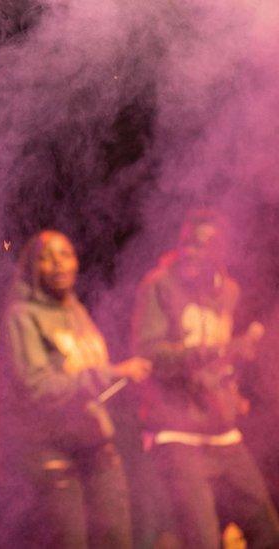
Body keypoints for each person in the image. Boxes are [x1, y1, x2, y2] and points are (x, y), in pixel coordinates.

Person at [131, 210, 279, 548]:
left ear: (223, 252)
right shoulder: (159, 285)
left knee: (266, 532)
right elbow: (149, 355)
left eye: (203, 246)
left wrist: (231, 385)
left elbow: (220, 354)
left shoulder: (229, 291)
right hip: (176, 430)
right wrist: (213, 352)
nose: (191, 252)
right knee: (202, 539)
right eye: (187, 243)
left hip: (221, 432)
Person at [0, 230, 150, 548]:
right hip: (54, 454)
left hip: (97, 448)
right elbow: (35, 387)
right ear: (31, 267)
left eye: (65, 254)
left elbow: (90, 381)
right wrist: (111, 373)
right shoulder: (22, 317)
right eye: (46, 257)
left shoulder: (77, 312)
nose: (58, 263)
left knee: (116, 540)